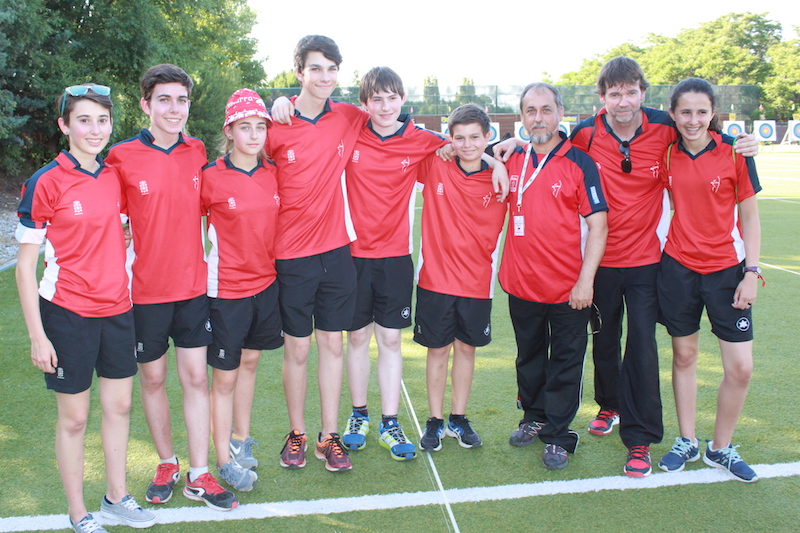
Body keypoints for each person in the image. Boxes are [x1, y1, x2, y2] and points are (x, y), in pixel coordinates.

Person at [496, 57, 758, 477]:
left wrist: (741, 139)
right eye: (613, 93)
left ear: (643, 94)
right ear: (601, 98)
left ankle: (640, 440)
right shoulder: (585, 133)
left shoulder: (665, 126)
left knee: (641, 349)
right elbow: (547, 148)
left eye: (630, 92)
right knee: (602, 342)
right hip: (597, 264)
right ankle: (608, 405)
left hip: (647, 263)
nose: (622, 101)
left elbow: (702, 132)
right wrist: (510, 144)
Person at [16, 84, 156, 532]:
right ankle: (79, 514)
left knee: (119, 409)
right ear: (64, 126)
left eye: (102, 120)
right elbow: (24, 269)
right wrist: (38, 335)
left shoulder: (115, 175)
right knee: (74, 418)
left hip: (118, 310)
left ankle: (116, 497)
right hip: (67, 315)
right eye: (84, 119)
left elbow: (118, 228)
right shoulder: (45, 182)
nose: (95, 129)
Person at [106, 65, 237, 510]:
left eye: (181, 100)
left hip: (193, 287)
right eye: (164, 99)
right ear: (145, 104)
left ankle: (200, 473)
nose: (173, 109)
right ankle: (167, 461)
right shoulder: (121, 157)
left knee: (197, 377)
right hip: (143, 291)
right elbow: (109, 214)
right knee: (154, 377)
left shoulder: (198, 151)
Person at [267, 35, 367, 473]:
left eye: (332, 69)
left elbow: (394, 122)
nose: (325, 77)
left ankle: (329, 437)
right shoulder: (274, 125)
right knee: (298, 350)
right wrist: (273, 103)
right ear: (299, 73)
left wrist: (501, 151)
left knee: (332, 344)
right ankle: (298, 433)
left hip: (337, 252)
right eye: (316, 69)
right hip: (290, 255)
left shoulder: (348, 116)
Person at [339, 67, 448, 461]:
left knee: (389, 340)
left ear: (402, 100)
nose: (385, 107)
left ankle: (389, 421)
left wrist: (499, 158)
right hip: (351, 257)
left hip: (395, 258)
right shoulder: (349, 132)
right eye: (376, 99)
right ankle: (358, 416)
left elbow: (464, 146)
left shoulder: (421, 141)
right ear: (364, 103)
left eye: (391, 98)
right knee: (355, 339)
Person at [656, 78, 762, 482]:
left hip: (727, 272)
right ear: (673, 114)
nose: (693, 120)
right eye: (685, 112)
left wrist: (751, 272)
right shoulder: (666, 154)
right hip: (678, 270)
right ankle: (686, 440)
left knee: (740, 368)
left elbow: (750, 217)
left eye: (702, 111)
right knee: (684, 356)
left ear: (713, 113)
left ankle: (720, 448)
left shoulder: (735, 152)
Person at [500, 83, 608, 470]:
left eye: (546, 109)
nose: (538, 118)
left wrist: (586, 281)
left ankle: (559, 435)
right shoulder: (512, 159)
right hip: (522, 283)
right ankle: (533, 417)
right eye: (531, 111)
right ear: (522, 116)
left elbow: (599, 225)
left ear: (560, 113)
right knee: (528, 358)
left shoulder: (580, 162)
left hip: (568, 289)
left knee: (565, 361)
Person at [201, 89, 283, 491]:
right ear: (229, 131)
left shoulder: (272, 173)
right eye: (244, 127)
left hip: (266, 287)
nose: (253, 135)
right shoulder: (210, 176)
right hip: (226, 290)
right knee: (225, 378)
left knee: (250, 364)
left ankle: (239, 439)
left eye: (260, 127)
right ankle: (223, 461)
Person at [415, 104, 508, 452]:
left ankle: (459, 417)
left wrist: (497, 162)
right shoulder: (435, 164)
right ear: (449, 138)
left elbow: (536, 148)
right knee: (437, 350)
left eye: (474, 137)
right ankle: (435, 420)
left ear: (488, 137)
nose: (467, 144)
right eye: (459, 138)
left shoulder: (504, 174)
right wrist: (442, 145)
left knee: (466, 349)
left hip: (476, 281)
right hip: (435, 280)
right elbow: (406, 138)